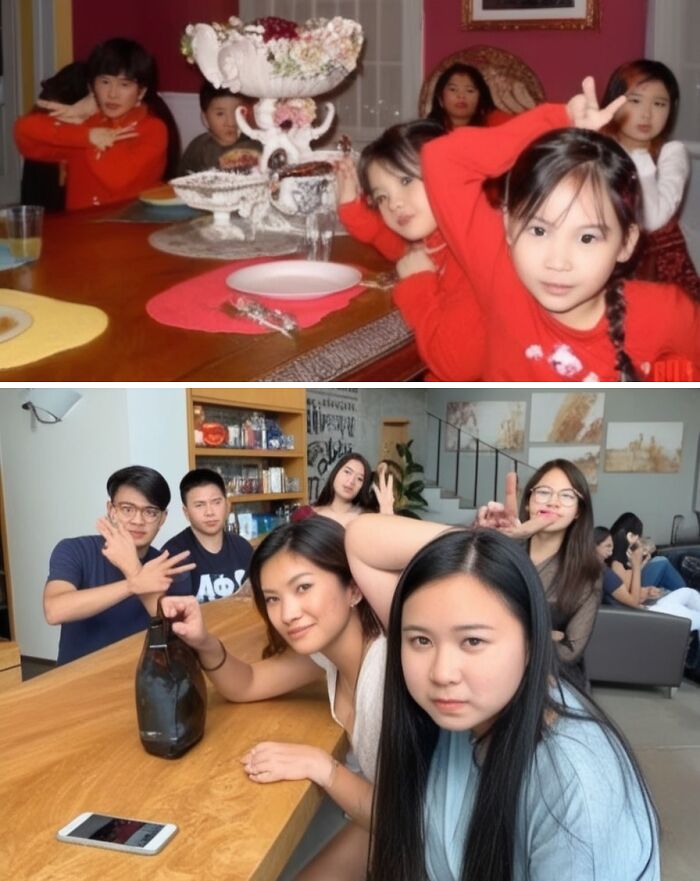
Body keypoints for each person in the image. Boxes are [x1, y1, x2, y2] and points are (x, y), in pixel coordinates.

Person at [344, 514, 659, 881]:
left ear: (530, 639)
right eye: (421, 641)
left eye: (473, 641)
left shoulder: (576, 788)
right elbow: (361, 540)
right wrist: (475, 546)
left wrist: (498, 551)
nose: (442, 673)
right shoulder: (470, 710)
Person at [392, 76, 700, 381]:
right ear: (508, 226)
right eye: (539, 231)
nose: (557, 261)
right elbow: (443, 158)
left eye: (587, 237)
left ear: (626, 242)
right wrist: (560, 118)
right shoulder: (502, 278)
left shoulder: (665, 312)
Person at [160, 517, 384, 881]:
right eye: (273, 599)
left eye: (304, 587)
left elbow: (411, 818)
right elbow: (245, 684)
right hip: (374, 817)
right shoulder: (331, 655)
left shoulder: (385, 673)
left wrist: (322, 766)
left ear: (354, 589)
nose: (288, 614)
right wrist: (203, 641)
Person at [335, 119, 481, 380]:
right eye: (382, 197)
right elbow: (390, 240)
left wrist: (418, 285)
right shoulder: (441, 237)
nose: (394, 204)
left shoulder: (474, 260)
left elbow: (457, 366)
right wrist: (351, 208)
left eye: (405, 180)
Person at [44, 465, 195, 665]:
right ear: (111, 510)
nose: (138, 520)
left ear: (162, 518)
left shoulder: (168, 566)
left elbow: (177, 636)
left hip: (143, 680)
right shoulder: (74, 550)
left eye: (150, 512)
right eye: (127, 509)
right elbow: (55, 610)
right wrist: (133, 583)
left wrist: (132, 567)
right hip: (76, 679)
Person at [15, 38, 174, 210]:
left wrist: (90, 134)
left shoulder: (153, 129)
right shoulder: (88, 125)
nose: (112, 94)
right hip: (80, 231)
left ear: (141, 92)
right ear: (92, 88)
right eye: (105, 82)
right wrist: (85, 132)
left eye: (124, 84)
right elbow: (24, 132)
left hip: (129, 231)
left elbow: (117, 180)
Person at [477, 463, 602, 678]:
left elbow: (570, 651)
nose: (553, 502)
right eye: (544, 492)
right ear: (528, 502)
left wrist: (509, 639)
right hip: (486, 668)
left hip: (552, 677)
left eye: (567, 496)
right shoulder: (502, 549)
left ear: (578, 511)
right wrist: (487, 541)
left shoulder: (589, 571)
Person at [602, 59, 699, 301]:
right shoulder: (599, 149)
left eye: (659, 104)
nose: (647, 114)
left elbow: (653, 220)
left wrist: (641, 163)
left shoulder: (671, 153)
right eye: (635, 101)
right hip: (605, 256)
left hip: (658, 266)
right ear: (614, 102)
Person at [162, 468, 253, 603]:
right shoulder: (174, 554)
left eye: (216, 502)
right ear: (186, 513)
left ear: (227, 506)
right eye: (199, 505)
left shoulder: (243, 547)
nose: (209, 512)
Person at [596, 526, 700, 631]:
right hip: (649, 613)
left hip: (646, 607)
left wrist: (645, 591)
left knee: (689, 592)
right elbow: (633, 602)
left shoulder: (602, 570)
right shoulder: (606, 574)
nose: (611, 550)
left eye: (612, 546)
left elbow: (625, 593)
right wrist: (636, 565)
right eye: (607, 546)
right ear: (594, 546)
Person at [177, 82, 259, 175]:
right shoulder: (198, 149)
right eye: (220, 114)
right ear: (205, 119)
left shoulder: (256, 144)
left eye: (237, 112)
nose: (231, 122)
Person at [292, 452, 393, 527]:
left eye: (359, 479)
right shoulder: (305, 515)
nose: (351, 481)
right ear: (335, 473)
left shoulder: (368, 518)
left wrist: (387, 519)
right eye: (347, 472)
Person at [609, 511, 687, 591]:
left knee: (660, 560)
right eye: (638, 536)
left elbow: (634, 568)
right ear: (631, 535)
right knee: (663, 563)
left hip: (633, 580)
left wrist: (644, 559)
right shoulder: (617, 561)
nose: (638, 539)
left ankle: (685, 593)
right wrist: (641, 561)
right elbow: (630, 579)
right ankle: (687, 593)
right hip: (632, 588)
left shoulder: (615, 543)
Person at [426, 62, 510, 130]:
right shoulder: (426, 132)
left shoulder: (496, 125)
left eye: (470, 90)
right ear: (440, 98)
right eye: (453, 89)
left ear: (480, 99)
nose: (461, 96)